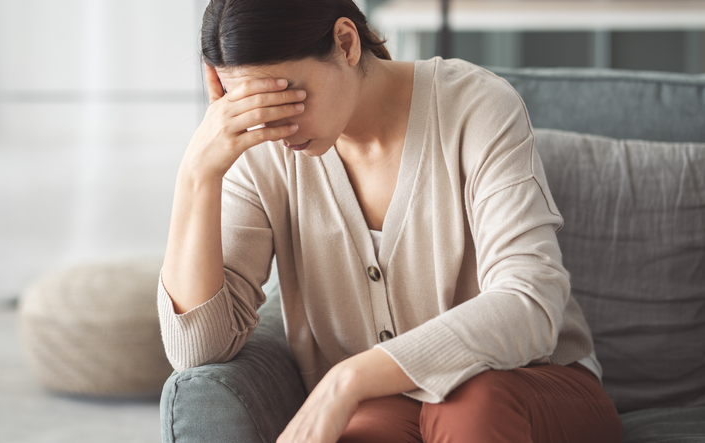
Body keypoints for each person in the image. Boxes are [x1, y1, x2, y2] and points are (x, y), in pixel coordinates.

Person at [157, 0, 623, 441]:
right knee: (364, 433)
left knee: (467, 402)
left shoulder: (476, 107)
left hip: (534, 386)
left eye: (286, 96)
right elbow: (198, 351)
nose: (276, 128)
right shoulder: (262, 150)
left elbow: (530, 303)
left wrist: (350, 378)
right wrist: (198, 173)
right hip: (389, 404)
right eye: (251, 109)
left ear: (345, 43)